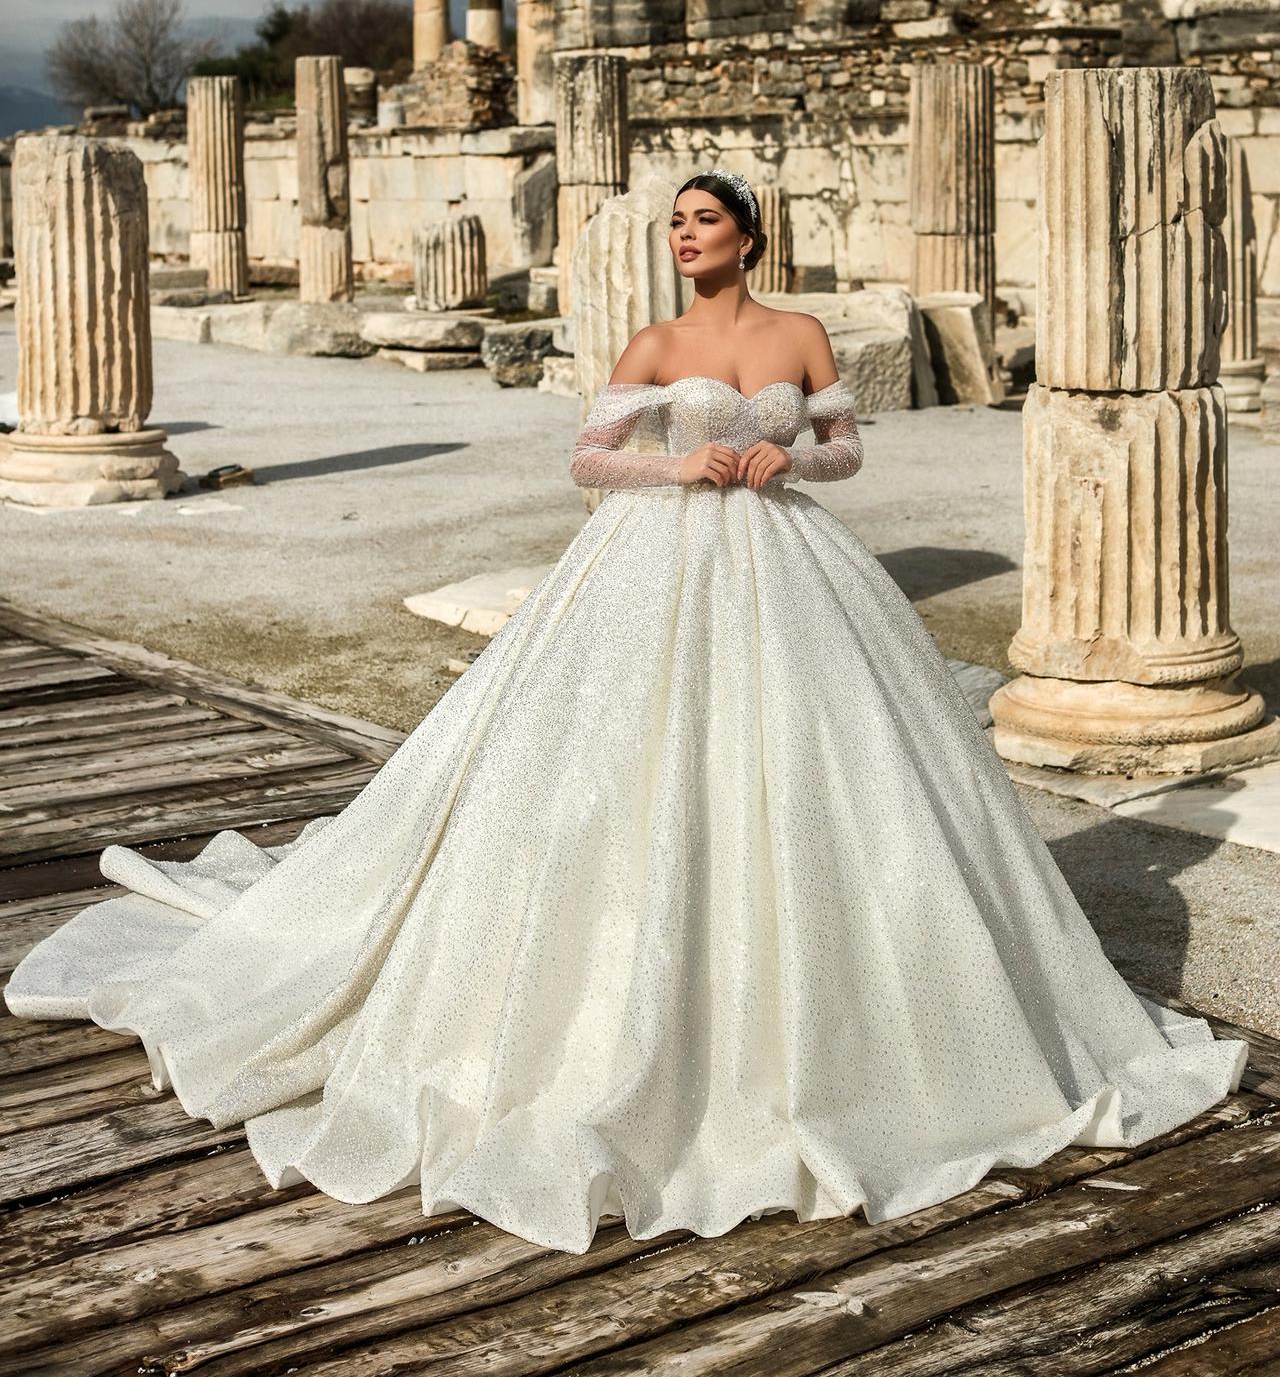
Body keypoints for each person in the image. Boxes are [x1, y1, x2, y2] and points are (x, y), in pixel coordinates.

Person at [3, 168, 1247, 1257]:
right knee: (617, 765)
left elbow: (843, 451)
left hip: (784, 558)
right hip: (655, 557)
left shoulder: (804, 335)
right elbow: (590, 460)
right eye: (675, 223)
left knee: (825, 774)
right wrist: (679, 462)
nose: (684, 236)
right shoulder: (653, 345)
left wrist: (782, 460)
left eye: (703, 221)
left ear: (749, 238)